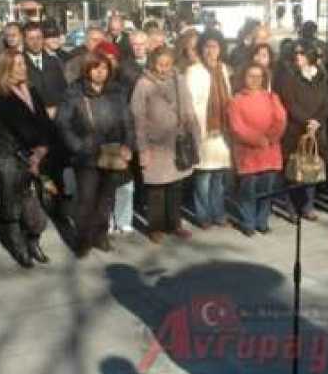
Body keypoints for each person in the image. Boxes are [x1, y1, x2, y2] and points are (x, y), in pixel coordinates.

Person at [56, 50, 134, 257]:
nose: (101, 72)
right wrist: (78, 146)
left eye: (104, 68)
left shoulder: (116, 92)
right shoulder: (74, 92)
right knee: (87, 199)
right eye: (96, 68)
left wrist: (128, 145)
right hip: (86, 155)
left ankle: (100, 235)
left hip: (112, 151)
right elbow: (63, 124)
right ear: (87, 70)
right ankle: (83, 239)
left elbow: (128, 121)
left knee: (106, 197)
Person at [0, 50, 56, 268]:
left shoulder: (31, 91)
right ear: (5, 69)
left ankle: (33, 242)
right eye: (17, 65)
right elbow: (4, 132)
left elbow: (43, 121)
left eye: (23, 63)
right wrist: (30, 153)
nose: (23, 68)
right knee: (13, 208)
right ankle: (19, 247)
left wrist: (42, 148)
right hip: (12, 158)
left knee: (37, 207)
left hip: (37, 154)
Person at [130, 46, 200, 244]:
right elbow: (138, 117)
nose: (163, 69)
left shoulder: (179, 80)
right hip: (154, 145)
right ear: (152, 63)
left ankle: (175, 223)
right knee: (156, 189)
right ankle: (155, 227)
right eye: (160, 65)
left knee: (176, 186)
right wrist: (142, 148)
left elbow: (188, 109)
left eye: (167, 64)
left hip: (176, 143)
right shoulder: (143, 84)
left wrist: (194, 135)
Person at [227, 63, 287, 236]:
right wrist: (257, 139)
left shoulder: (271, 97)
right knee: (248, 190)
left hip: (269, 151)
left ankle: (262, 221)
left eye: (258, 76)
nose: (254, 80)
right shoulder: (236, 100)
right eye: (250, 76)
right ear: (244, 78)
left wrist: (270, 138)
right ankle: (248, 222)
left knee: (266, 190)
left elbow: (281, 119)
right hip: (248, 153)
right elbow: (237, 127)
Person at [275, 41, 328, 221]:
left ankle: (308, 206)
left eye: (302, 54)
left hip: (316, 131)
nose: (298, 57)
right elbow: (289, 103)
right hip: (295, 130)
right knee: (294, 169)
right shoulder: (289, 76)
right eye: (296, 54)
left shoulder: (321, 76)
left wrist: (317, 121)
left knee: (312, 168)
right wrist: (307, 121)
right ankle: (291, 206)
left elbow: (327, 103)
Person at [186, 31, 233, 229]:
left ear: (220, 48)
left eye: (214, 46)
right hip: (203, 131)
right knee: (203, 176)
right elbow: (191, 103)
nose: (210, 50)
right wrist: (202, 128)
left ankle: (219, 213)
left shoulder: (223, 69)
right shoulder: (194, 70)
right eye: (206, 46)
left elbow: (228, 97)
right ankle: (203, 216)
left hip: (222, 132)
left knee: (219, 176)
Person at [23, 21, 68, 119]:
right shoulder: (19, 64)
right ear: (24, 40)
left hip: (56, 119)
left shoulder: (53, 62)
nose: (36, 42)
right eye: (31, 39)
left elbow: (64, 92)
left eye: (38, 38)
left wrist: (57, 110)